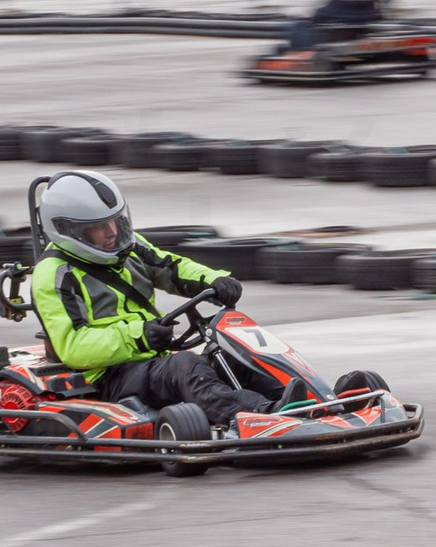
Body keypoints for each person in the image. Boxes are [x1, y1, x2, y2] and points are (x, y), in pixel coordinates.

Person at [27, 170, 271, 432]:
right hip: (106, 375)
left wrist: (214, 280)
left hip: (151, 359)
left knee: (233, 353)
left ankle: (298, 403)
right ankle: (260, 416)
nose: (111, 233)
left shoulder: (126, 247)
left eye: (115, 221)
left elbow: (171, 268)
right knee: (183, 367)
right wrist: (137, 337)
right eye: (98, 227)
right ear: (70, 231)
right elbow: (73, 347)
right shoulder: (53, 274)